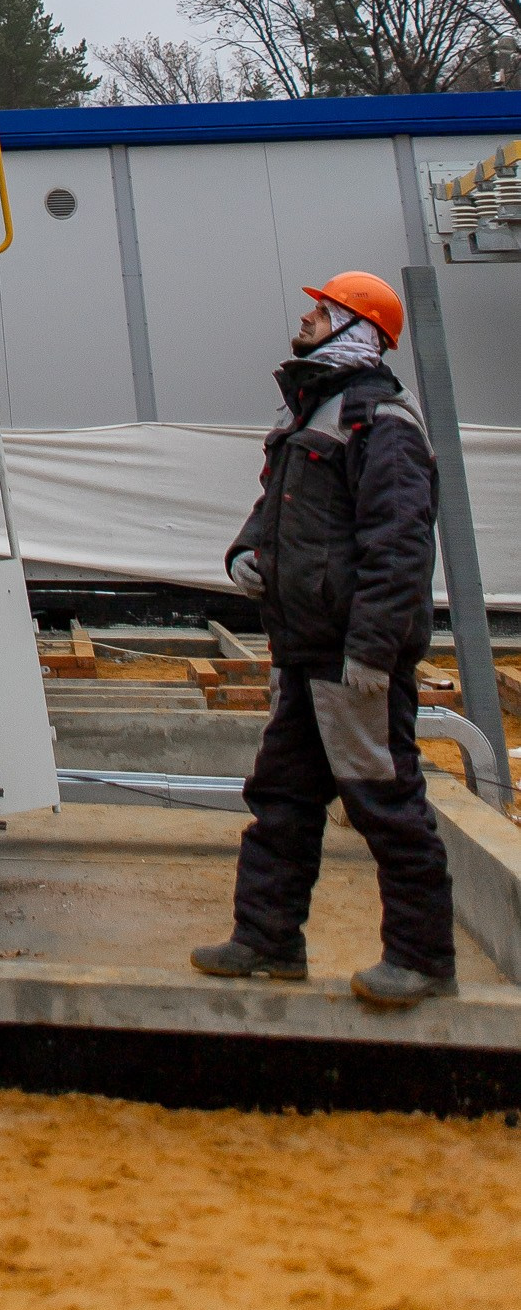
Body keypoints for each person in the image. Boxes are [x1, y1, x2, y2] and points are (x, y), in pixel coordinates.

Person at [192, 269, 459, 1008]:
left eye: (321, 311)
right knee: (281, 796)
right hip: (305, 650)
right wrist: (247, 552)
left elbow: (400, 543)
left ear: (356, 329)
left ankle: (423, 957)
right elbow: (275, 509)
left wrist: (373, 652)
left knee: (384, 800)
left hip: (351, 659)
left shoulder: (381, 423)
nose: (305, 320)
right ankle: (267, 941)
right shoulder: (314, 416)